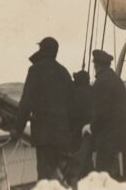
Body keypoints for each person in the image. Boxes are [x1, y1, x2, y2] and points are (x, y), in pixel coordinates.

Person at [11, 37, 73, 180]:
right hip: (62, 134)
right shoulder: (64, 72)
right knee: (61, 176)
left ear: (42, 50)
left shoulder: (35, 70)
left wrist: (17, 129)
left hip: (44, 134)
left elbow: (26, 102)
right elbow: (72, 104)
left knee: (45, 176)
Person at [82, 50, 126, 177]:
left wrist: (91, 127)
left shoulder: (101, 82)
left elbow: (101, 112)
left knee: (102, 173)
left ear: (97, 66)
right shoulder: (117, 82)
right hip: (121, 135)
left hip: (107, 137)